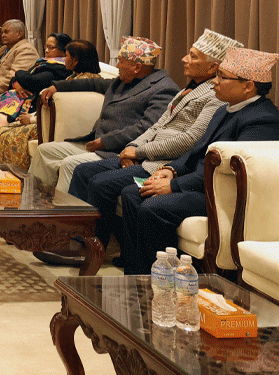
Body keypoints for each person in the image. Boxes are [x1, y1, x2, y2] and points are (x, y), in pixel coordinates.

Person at [36, 30, 239, 267]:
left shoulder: (214, 96)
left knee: (100, 183)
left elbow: (190, 139)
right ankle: (73, 238)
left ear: (213, 67)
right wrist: (131, 148)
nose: (184, 59)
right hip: (145, 153)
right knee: (83, 171)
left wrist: (139, 152)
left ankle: (89, 250)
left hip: (163, 162)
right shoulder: (189, 89)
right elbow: (157, 125)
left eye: (193, 56)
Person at [117, 47, 279, 274]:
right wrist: (170, 170)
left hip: (220, 194)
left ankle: (162, 279)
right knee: (132, 193)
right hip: (197, 183)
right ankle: (136, 273)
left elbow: (229, 174)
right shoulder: (224, 109)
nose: (215, 82)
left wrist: (174, 186)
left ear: (248, 86)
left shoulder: (262, 120)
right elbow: (197, 150)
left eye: (222, 77)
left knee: (153, 207)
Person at [28, 36, 180, 196]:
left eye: (121, 61)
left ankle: (65, 210)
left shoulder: (163, 89)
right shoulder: (124, 80)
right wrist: (57, 87)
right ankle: (34, 201)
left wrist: (105, 141)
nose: (117, 66)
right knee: (44, 151)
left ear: (137, 67)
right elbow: (93, 83)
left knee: (70, 164)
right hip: (96, 143)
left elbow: (146, 128)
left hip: (119, 151)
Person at [0, 40, 103, 170]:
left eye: (66, 56)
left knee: (8, 136)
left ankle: (18, 176)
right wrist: (31, 116)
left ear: (75, 61)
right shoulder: (73, 77)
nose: (64, 59)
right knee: (3, 130)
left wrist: (31, 120)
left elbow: (63, 111)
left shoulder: (85, 81)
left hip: (55, 125)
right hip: (45, 120)